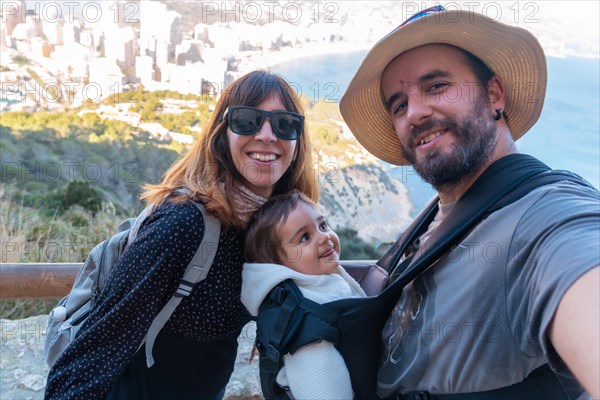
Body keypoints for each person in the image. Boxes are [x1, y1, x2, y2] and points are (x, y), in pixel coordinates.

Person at [339, 5, 599, 399]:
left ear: (494, 93)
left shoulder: (544, 217)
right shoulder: (432, 221)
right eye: (399, 104)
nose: (415, 112)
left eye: (437, 86)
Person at [44, 70, 318, 400]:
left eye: (284, 124)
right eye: (247, 120)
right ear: (222, 133)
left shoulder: (269, 228)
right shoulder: (183, 224)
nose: (266, 135)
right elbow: (87, 359)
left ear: (297, 140)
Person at [241, 190, 366, 400]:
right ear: (277, 266)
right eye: (305, 237)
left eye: (323, 225)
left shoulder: (316, 284)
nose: (324, 236)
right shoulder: (306, 329)